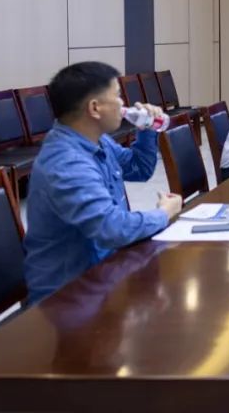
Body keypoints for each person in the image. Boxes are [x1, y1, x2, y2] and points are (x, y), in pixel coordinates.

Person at [23, 62, 182, 304]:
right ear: (95, 108)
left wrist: (147, 128)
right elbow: (111, 228)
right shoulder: (67, 162)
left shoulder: (96, 140)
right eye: (117, 96)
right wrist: (163, 214)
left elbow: (139, 168)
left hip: (105, 274)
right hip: (68, 298)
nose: (123, 104)